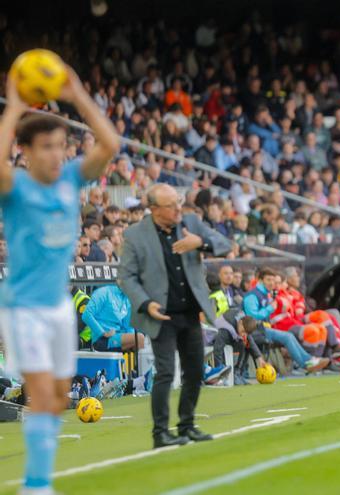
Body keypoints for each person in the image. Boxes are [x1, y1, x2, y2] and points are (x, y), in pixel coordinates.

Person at [0, 65, 119, 494]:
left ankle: (38, 483)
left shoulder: (71, 178)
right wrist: (13, 107)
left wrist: (78, 92)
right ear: (26, 151)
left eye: (60, 146)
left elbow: (110, 143)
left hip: (57, 307)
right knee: (41, 392)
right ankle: (36, 486)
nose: (55, 154)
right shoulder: (14, 187)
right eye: (45, 146)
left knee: (59, 398)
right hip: (22, 307)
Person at [118, 183, 232, 449]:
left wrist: (200, 242)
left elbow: (225, 245)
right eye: (172, 205)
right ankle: (160, 432)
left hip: (190, 312)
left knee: (194, 371)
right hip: (160, 315)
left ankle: (186, 425)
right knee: (166, 373)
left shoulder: (191, 222)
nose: (178, 209)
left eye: (179, 202)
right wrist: (145, 303)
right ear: (155, 209)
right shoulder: (135, 235)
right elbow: (126, 277)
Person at [242, 267, 330, 373]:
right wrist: (270, 308)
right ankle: (306, 363)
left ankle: (309, 361)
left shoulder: (266, 295)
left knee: (289, 336)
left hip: (262, 329)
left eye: (273, 280)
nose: (271, 283)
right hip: (252, 331)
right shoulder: (252, 295)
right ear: (260, 280)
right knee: (287, 336)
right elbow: (252, 317)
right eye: (268, 280)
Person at [83, 284, 146, 352]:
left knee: (139, 339)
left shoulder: (127, 298)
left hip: (118, 336)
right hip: (102, 339)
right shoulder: (102, 292)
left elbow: (128, 326)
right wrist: (103, 333)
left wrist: (132, 337)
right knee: (140, 338)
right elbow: (86, 315)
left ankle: (127, 361)